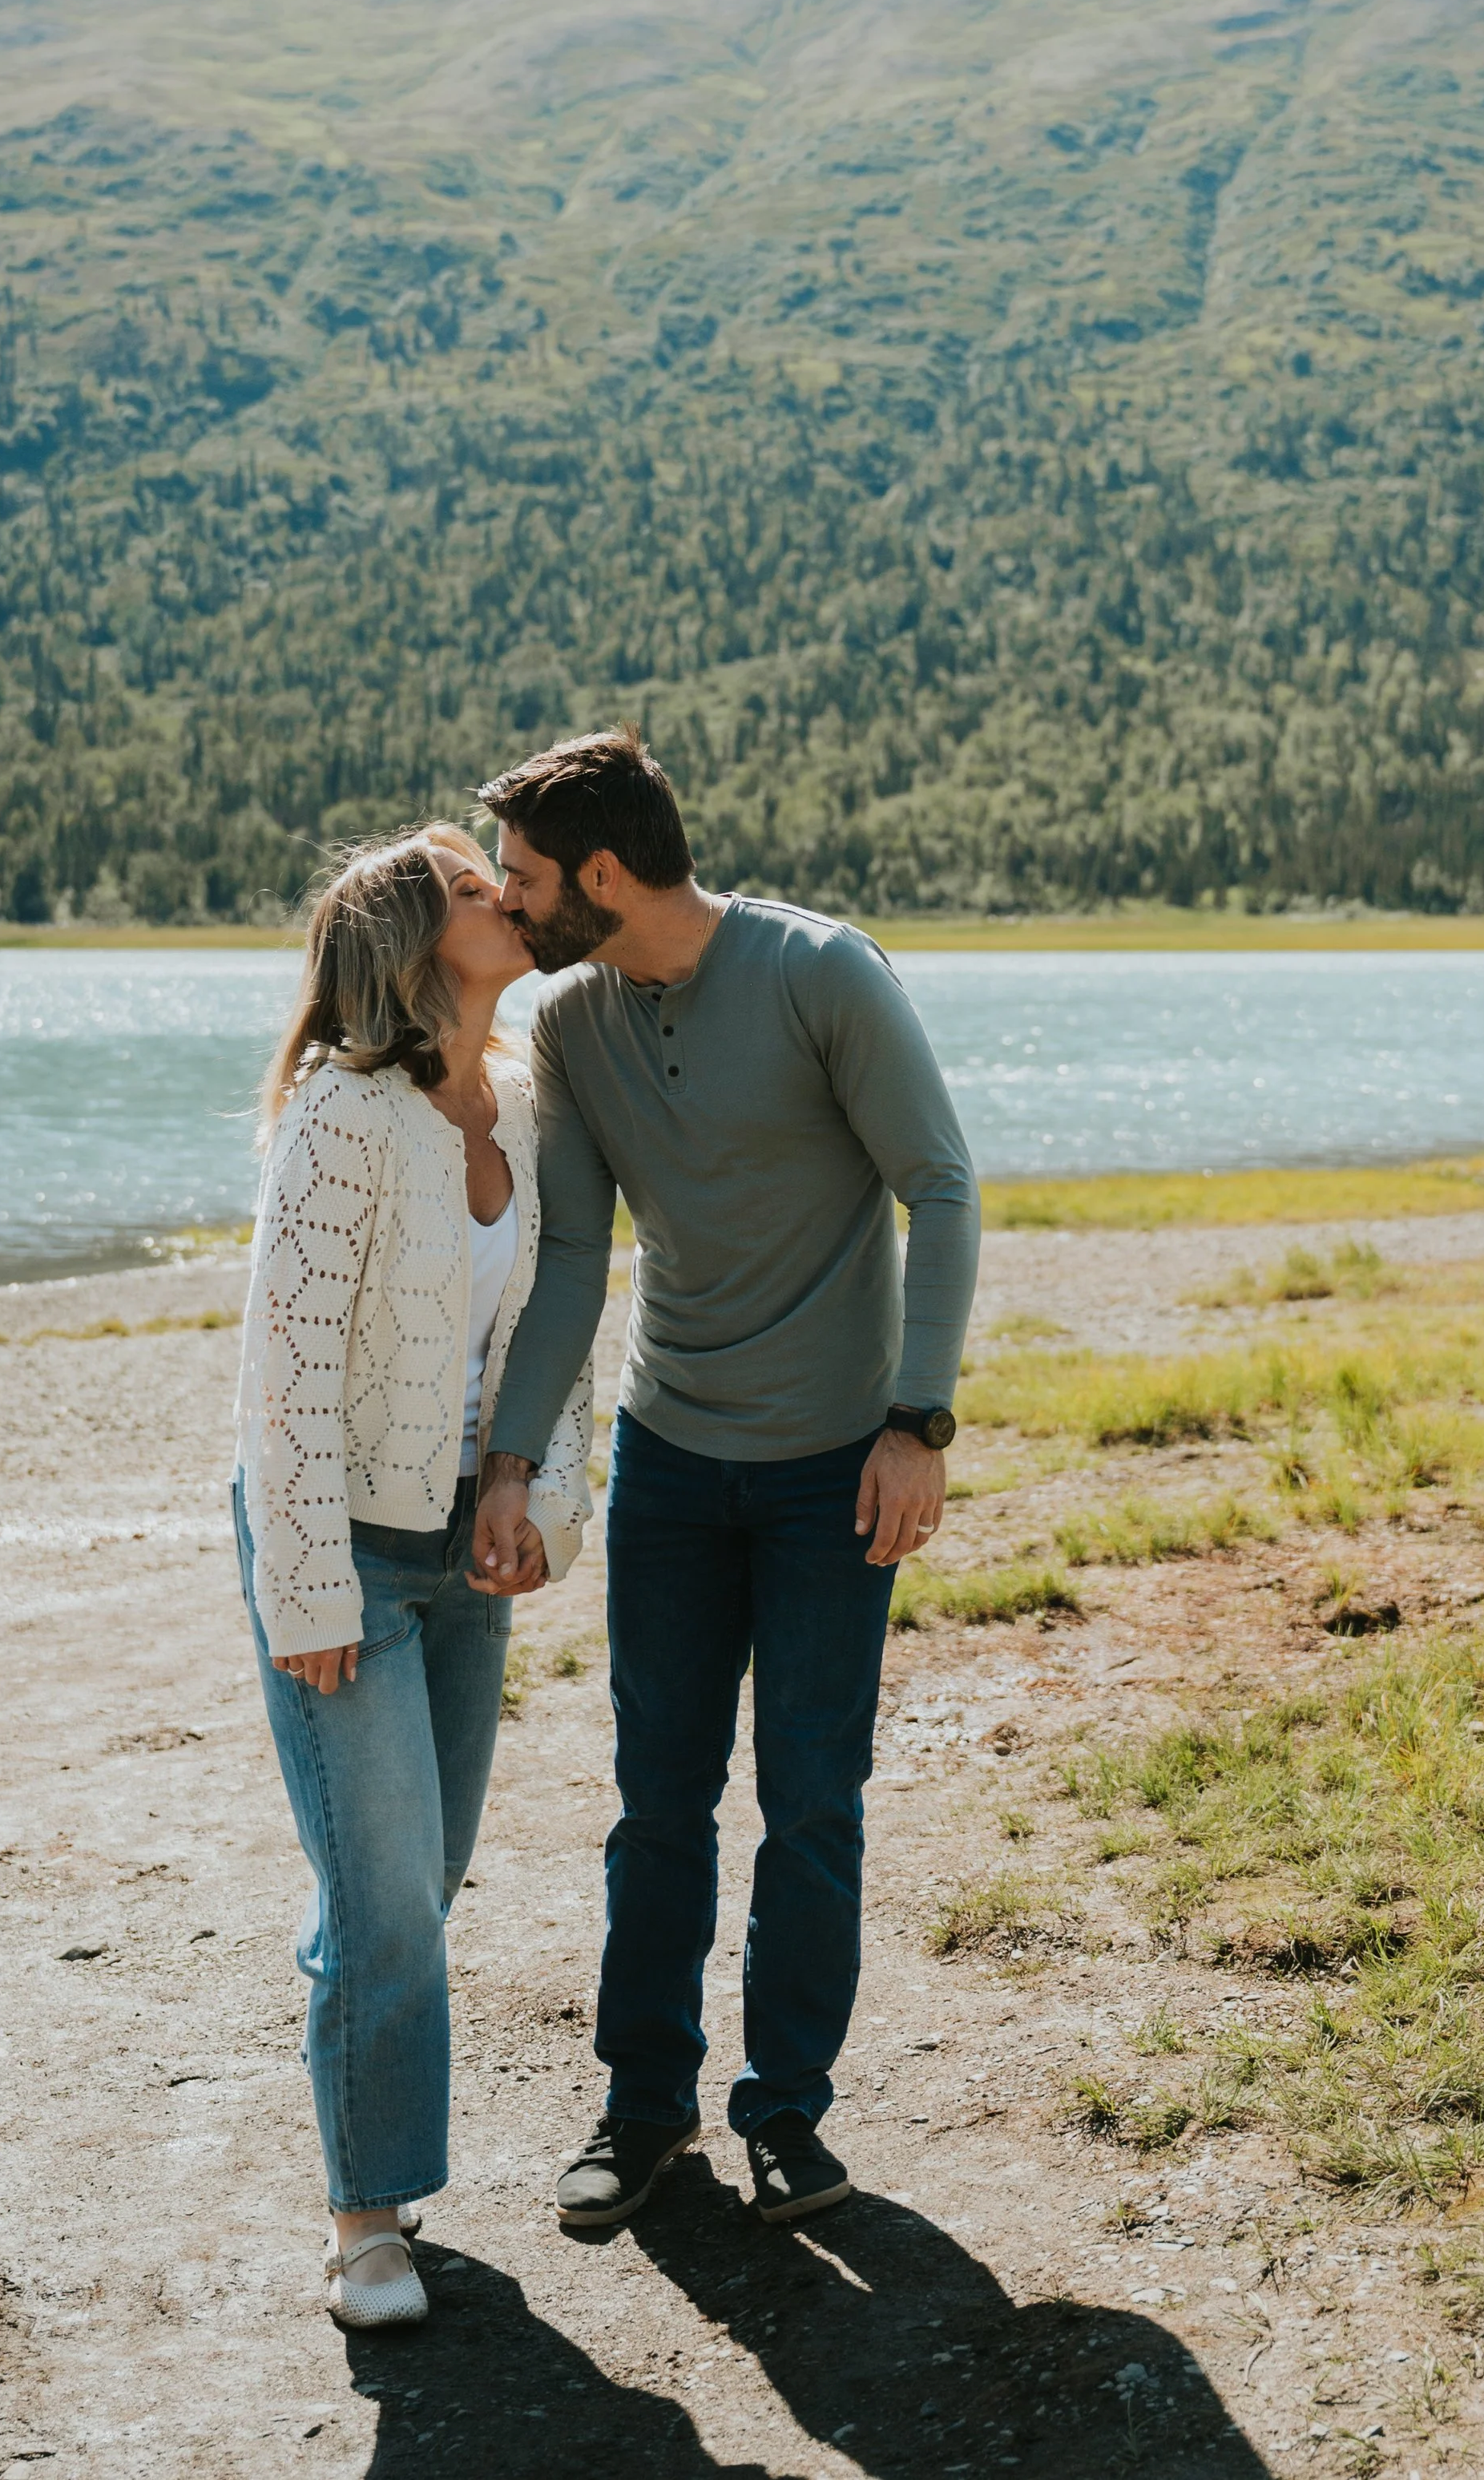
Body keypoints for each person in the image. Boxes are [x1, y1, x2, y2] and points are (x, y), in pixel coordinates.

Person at [476, 728, 980, 2231]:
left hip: (840, 1470)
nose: (504, 903)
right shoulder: (569, 1018)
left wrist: (920, 1424)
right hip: (674, 1467)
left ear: (606, 873)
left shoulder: (823, 973)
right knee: (657, 1801)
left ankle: (786, 2113)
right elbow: (576, 1253)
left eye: (520, 877)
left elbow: (940, 1187)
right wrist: (514, 1456)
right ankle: (644, 2110)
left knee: (812, 1800)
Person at [232, 825, 595, 2328]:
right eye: (469, 886)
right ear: (409, 940)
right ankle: (367, 2227)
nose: (506, 897)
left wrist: (536, 1495)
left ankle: (353, 2068)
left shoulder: (523, 1097)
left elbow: (556, 1333)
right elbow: (286, 1375)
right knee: (386, 1894)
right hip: (341, 1546)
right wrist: (308, 1589)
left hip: (467, 1535)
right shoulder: (341, 1115)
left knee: (415, 1882)